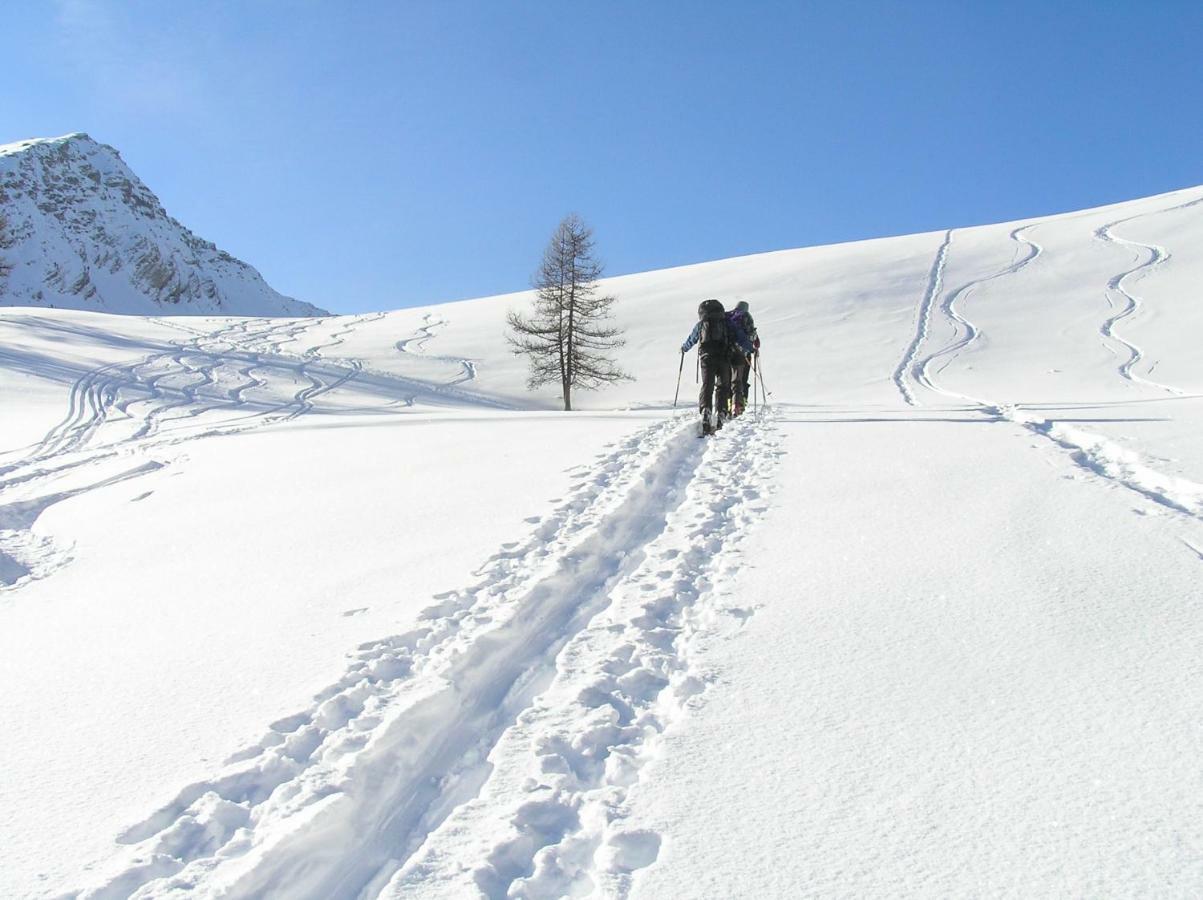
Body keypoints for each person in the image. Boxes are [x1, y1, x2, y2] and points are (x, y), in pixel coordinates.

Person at [681, 299, 754, 435]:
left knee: (707, 385)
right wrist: (750, 348)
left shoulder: (702, 323)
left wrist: (684, 348)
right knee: (722, 387)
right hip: (723, 358)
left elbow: (692, 338)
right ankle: (721, 414)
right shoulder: (726, 322)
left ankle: (705, 412)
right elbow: (739, 336)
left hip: (706, 358)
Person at [726, 300, 760, 415]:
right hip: (743, 353)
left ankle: (730, 401)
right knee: (742, 378)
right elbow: (752, 335)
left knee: (730, 378)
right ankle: (741, 402)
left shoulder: (728, 317)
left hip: (728, 352)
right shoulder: (746, 317)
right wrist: (753, 347)